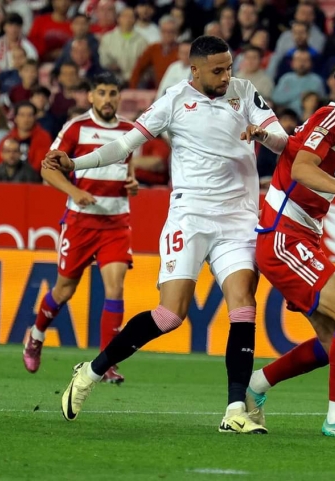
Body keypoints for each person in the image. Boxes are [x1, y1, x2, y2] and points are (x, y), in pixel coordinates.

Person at [43, 36, 288, 433]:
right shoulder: (173, 100)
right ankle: (90, 371)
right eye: (218, 70)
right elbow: (123, 145)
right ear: (195, 70)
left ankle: (234, 410)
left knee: (243, 305)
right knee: (170, 315)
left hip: (238, 220)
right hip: (189, 217)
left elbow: (283, 140)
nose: (227, 76)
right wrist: (75, 162)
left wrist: (262, 135)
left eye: (229, 67)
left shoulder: (244, 92)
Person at [246, 57, 335, 439]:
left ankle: (256, 385)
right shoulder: (331, 118)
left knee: (333, 341)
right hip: (283, 237)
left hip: (299, 236)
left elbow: (290, 152)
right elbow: (301, 169)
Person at [23, 72, 138, 383]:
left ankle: (106, 363)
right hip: (80, 223)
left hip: (116, 222)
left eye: (113, 93)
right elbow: (48, 169)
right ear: (90, 97)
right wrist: (74, 192)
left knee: (115, 288)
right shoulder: (76, 128)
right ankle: (35, 335)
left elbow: (129, 170)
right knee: (64, 290)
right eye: (101, 92)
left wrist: (133, 182)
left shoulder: (130, 130)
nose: (108, 99)